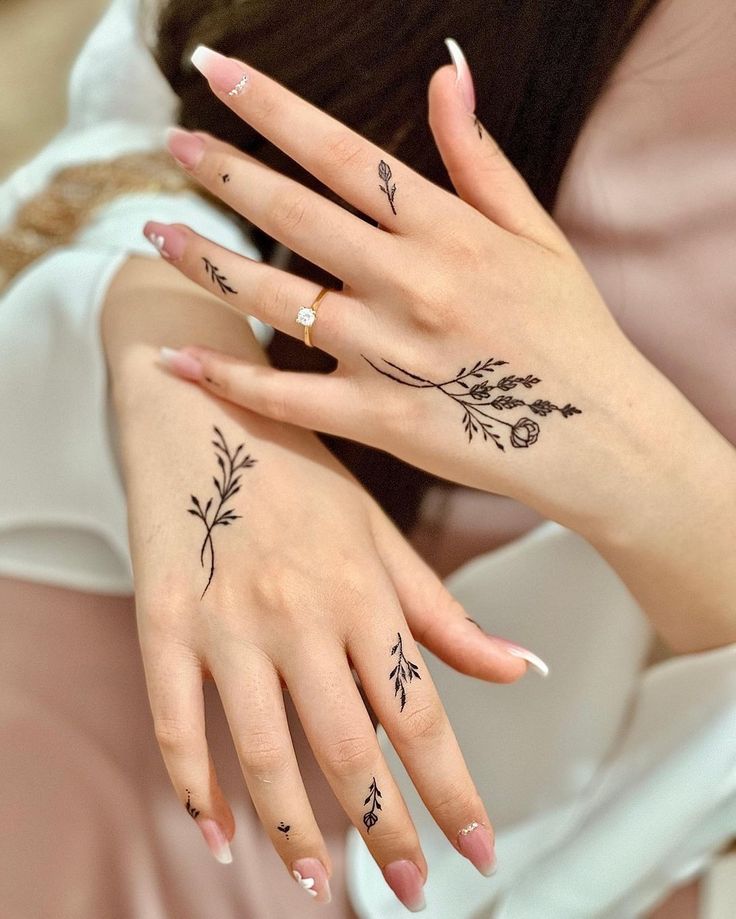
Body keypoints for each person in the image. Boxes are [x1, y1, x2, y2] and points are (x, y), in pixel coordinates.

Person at [0, 3, 734, 919]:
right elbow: (156, 107)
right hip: (109, 560)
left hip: (572, 817)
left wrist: (653, 470)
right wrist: (175, 346)